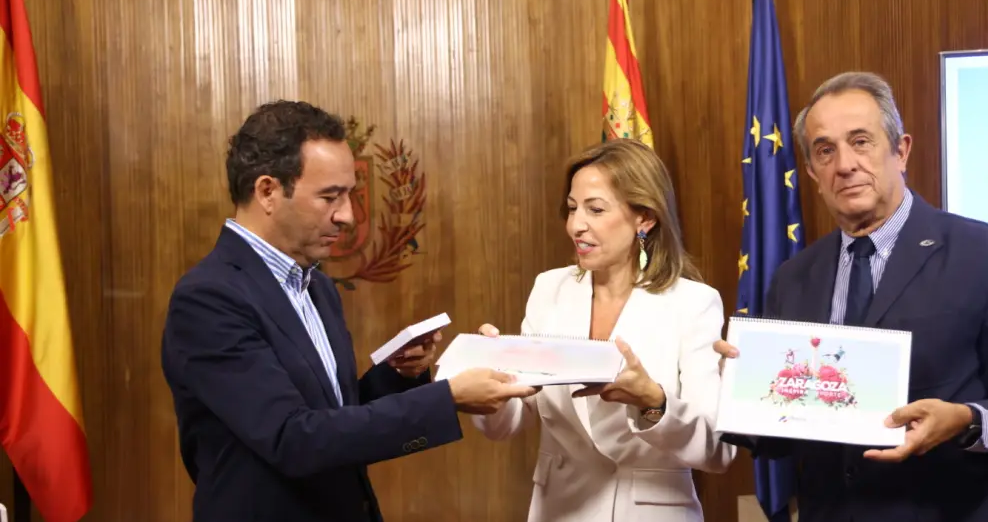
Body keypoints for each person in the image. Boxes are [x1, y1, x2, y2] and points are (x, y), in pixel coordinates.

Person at [716, 72, 988, 522]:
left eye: (861, 142)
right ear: (811, 172)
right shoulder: (794, 277)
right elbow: (783, 433)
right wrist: (739, 391)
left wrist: (965, 420)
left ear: (901, 150)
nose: (844, 164)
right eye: (825, 150)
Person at [160, 100, 537, 522]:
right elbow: (292, 439)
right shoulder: (208, 299)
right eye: (330, 197)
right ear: (267, 191)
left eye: (349, 195)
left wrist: (398, 375)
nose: (348, 216)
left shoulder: (316, 285)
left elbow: (334, 421)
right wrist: (446, 399)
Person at [471, 139, 736, 521]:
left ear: (645, 218)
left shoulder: (693, 302)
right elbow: (512, 419)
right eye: (572, 208)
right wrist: (490, 379)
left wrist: (653, 402)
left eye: (595, 209)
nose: (576, 225)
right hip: (560, 509)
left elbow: (717, 450)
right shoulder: (549, 289)